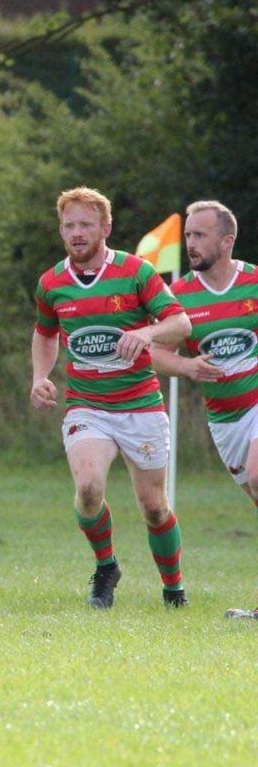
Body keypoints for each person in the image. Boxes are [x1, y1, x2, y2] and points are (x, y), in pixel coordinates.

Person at [31, 187, 192, 610]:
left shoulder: (136, 273)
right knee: (87, 488)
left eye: (86, 224)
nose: (77, 233)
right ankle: (106, 567)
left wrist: (146, 332)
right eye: (69, 226)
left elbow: (181, 324)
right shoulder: (52, 282)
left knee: (154, 507)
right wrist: (40, 376)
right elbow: (45, 334)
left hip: (140, 404)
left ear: (106, 227)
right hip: (88, 405)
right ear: (61, 230)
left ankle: (173, 589)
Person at [145, 202, 258, 619]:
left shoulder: (254, 283)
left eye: (200, 235)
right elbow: (155, 353)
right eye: (188, 235)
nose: (191, 243)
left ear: (226, 241)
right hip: (224, 421)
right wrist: (188, 366)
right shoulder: (180, 297)